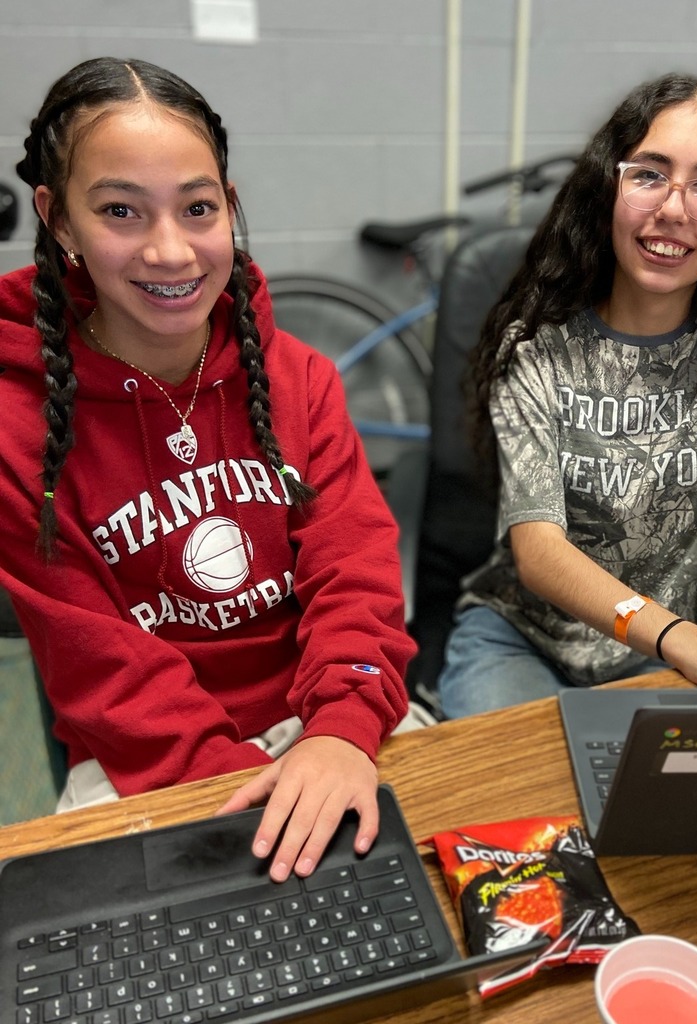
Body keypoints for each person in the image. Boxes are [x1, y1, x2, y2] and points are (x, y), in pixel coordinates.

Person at [0, 57, 416, 880]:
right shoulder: (18, 425)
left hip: (327, 717)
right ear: (58, 221)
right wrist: (242, 791)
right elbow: (100, 664)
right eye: (120, 210)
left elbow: (356, 575)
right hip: (148, 752)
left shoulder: (300, 378)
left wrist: (337, 731)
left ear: (230, 206)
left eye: (197, 208)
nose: (169, 250)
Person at [438, 72, 697, 717]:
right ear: (610, 187)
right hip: (529, 642)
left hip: (685, 645)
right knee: (523, 809)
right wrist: (685, 643)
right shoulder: (536, 345)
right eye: (650, 174)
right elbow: (541, 550)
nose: (675, 209)